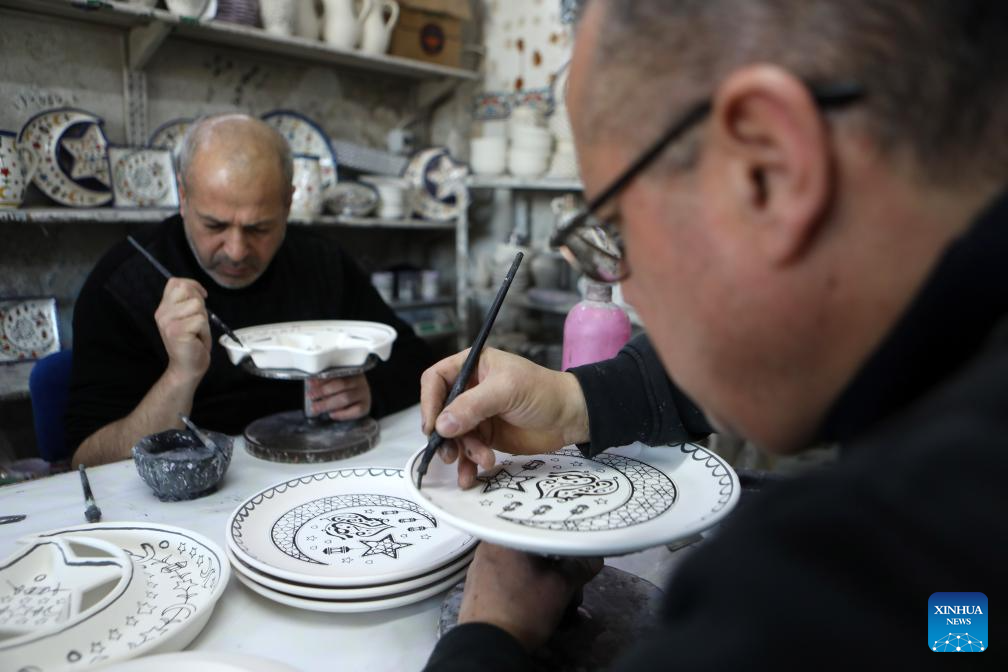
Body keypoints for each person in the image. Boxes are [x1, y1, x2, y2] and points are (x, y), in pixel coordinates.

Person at [420, 0, 1008, 667]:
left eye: (617, 229)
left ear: (769, 168)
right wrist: (573, 403)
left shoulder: (857, 579)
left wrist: (490, 634)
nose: (627, 284)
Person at [66, 114, 434, 467]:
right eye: (214, 225)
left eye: (259, 228)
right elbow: (86, 458)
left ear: (288, 203)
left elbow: (415, 361)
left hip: (313, 466)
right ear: (183, 196)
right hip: (190, 494)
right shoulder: (123, 282)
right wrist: (180, 375)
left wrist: (370, 391)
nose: (237, 251)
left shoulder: (322, 263)